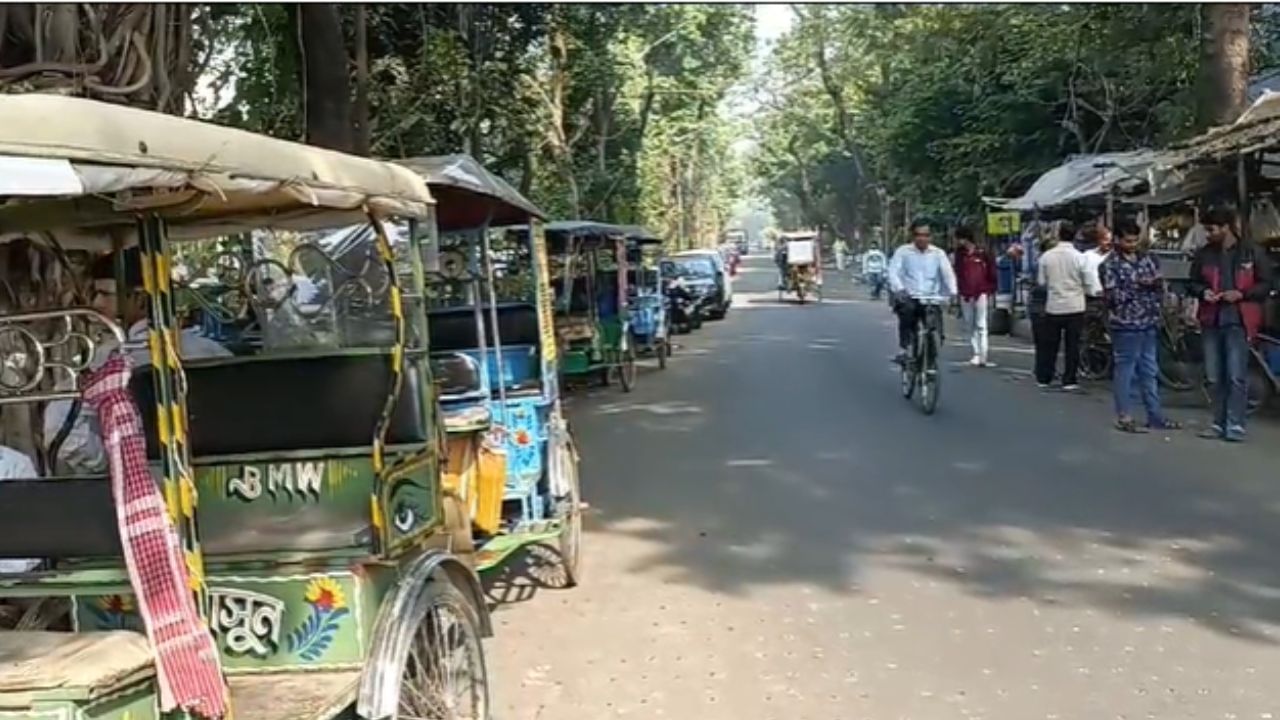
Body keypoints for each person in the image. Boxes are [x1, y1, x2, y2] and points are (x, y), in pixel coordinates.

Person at [44, 248, 232, 474]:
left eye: (104, 294)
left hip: (136, 485)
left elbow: (59, 428)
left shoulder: (104, 362)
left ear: (140, 299)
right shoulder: (213, 351)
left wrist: (109, 463)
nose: (96, 303)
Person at [1188, 206, 1272, 442]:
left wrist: (1242, 294)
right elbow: (1192, 282)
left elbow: (1266, 284)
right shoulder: (1205, 253)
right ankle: (1217, 422)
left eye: (1211, 229)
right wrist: (1203, 292)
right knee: (1214, 376)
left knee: (1236, 375)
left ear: (1226, 227)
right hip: (1211, 320)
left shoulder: (1251, 253)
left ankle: (1235, 424)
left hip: (1239, 320)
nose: (1208, 234)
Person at [1100, 220, 1181, 433]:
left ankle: (1155, 416)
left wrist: (1156, 286)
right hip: (1125, 324)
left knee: (1150, 370)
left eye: (1135, 240)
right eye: (1128, 240)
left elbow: (1159, 287)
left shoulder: (1148, 260)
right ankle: (1124, 416)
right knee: (1125, 371)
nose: (1132, 244)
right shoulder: (1110, 265)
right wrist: (1138, 285)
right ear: (1117, 240)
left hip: (1149, 321)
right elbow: (1112, 297)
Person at [1035, 221, 1100, 390]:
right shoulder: (1080, 257)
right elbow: (1089, 282)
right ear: (1075, 236)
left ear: (1058, 235)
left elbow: (1041, 282)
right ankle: (1069, 379)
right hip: (1075, 306)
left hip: (1054, 306)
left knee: (1050, 344)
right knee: (1073, 344)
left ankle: (1045, 377)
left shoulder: (1046, 257)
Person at [888, 220, 958, 364]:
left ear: (930, 237)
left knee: (935, 326)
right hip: (909, 296)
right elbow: (893, 272)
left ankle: (931, 355)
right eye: (918, 235)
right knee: (906, 315)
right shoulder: (903, 252)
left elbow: (948, 274)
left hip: (931, 298)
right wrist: (899, 289)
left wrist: (953, 293)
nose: (922, 238)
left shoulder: (938, 254)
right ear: (913, 236)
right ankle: (904, 349)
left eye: (926, 235)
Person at [952, 226, 997, 367]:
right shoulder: (959, 254)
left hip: (981, 292)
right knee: (969, 324)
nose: (958, 242)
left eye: (959, 238)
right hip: (966, 293)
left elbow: (992, 271)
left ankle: (983, 355)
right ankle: (976, 353)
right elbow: (958, 273)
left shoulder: (982, 252)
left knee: (981, 324)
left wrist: (991, 289)